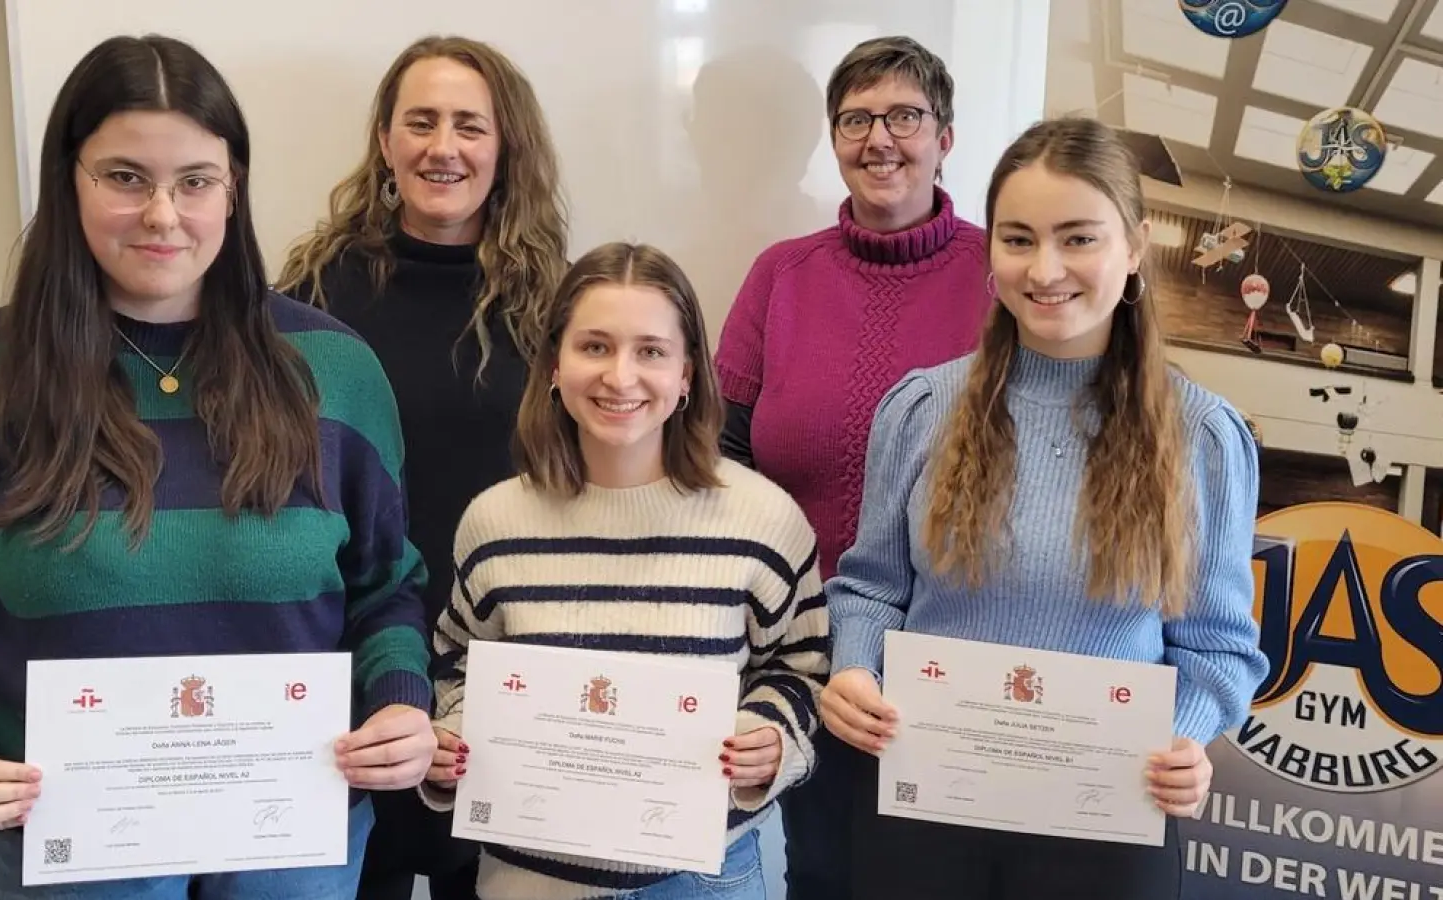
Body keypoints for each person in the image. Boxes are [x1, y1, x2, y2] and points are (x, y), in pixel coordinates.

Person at [0, 34, 436, 899]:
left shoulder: (336, 373)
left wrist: (401, 701)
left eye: (196, 181)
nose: (163, 214)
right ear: (70, 180)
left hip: (294, 856)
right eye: (125, 177)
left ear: (233, 187)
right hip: (62, 862)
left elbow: (385, 585)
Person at [821, 116, 1270, 900]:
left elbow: (1220, 646)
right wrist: (855, 667)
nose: (1046, 267)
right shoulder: (924, 407)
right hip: (925, 810)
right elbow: (869, 586)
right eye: (1019, 238)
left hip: (1105, 822)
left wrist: (1185, 739)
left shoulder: (1203, 437)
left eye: (1079, 238)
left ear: (1134, 249)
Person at [418, 242, 828, 900]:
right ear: (554, 363)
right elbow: (456, 664)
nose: (621, 376)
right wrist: (449, 744)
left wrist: (772, 740)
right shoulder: (494, 523)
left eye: (651, 351)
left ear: (689, 372)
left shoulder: (764, 521)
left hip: (702, 878)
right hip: (529, 879)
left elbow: (801, 668)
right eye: (596, 347)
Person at [276, 33, 568, 900]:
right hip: (352, 648)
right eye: (422, 122)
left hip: (502, 658)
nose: (445, 147)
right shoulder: (311, 291)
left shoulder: (553, 298)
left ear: (505, 144)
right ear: (385, 141)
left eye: (470, 126)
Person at [710, 35, 989, 898]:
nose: (879, 138)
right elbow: (722, 457)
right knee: (820, 877)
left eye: (904, 115)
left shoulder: (1004, 276)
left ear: (946, 135)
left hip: (951, 671)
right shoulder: (780, 278)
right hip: (795, 662)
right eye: (855, 119)